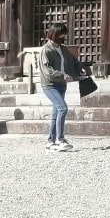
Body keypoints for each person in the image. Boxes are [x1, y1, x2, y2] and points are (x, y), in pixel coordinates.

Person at [39, 24, 80, 152]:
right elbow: (47, 71)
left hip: (62, 85)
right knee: (63, 108)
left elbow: (72, 62)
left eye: (64, 34)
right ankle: (60, 139)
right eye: (61, 34)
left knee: (56, 113)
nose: (63, 37)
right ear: (54, 34)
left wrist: (81, 71)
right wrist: (62, 76)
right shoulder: (45, 50)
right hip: (50, 84)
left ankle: (50, 142)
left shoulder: (63, 49)